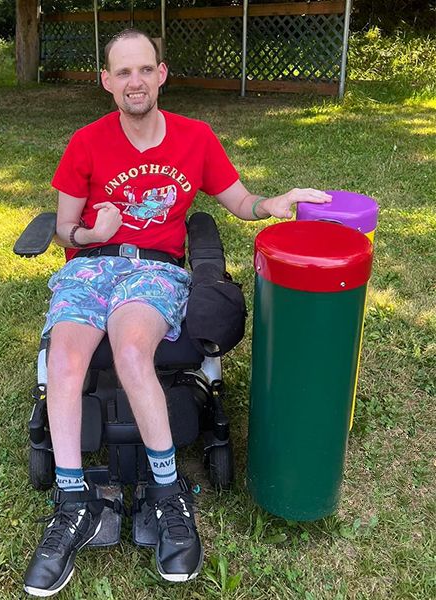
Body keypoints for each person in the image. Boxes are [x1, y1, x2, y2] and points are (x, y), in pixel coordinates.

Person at [23, 28, 331, 597]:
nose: (134, 82)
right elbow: (65, 227)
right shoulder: (86, 142)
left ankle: (169, 499)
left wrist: (276, 203)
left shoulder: (196, 138)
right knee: (64, 363)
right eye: (122, 73)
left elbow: (240, 202)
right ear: (106, 82)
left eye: (144, 70)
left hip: (155, 269)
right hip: (90, 266)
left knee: (133, 348)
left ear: (161, 74)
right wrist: (92, 231)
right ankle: (73, 507)